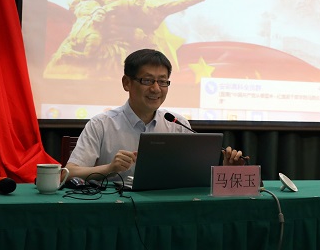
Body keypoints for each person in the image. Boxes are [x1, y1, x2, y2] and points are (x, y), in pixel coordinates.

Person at [66, 49, 247, 181]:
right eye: (147, 80)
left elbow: (196, 177)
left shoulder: (177, 124)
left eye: (162, 81)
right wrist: (109, 168)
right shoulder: (102, 124)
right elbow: (68, 174)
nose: (156, 89)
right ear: (126, 83)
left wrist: (227, 170)